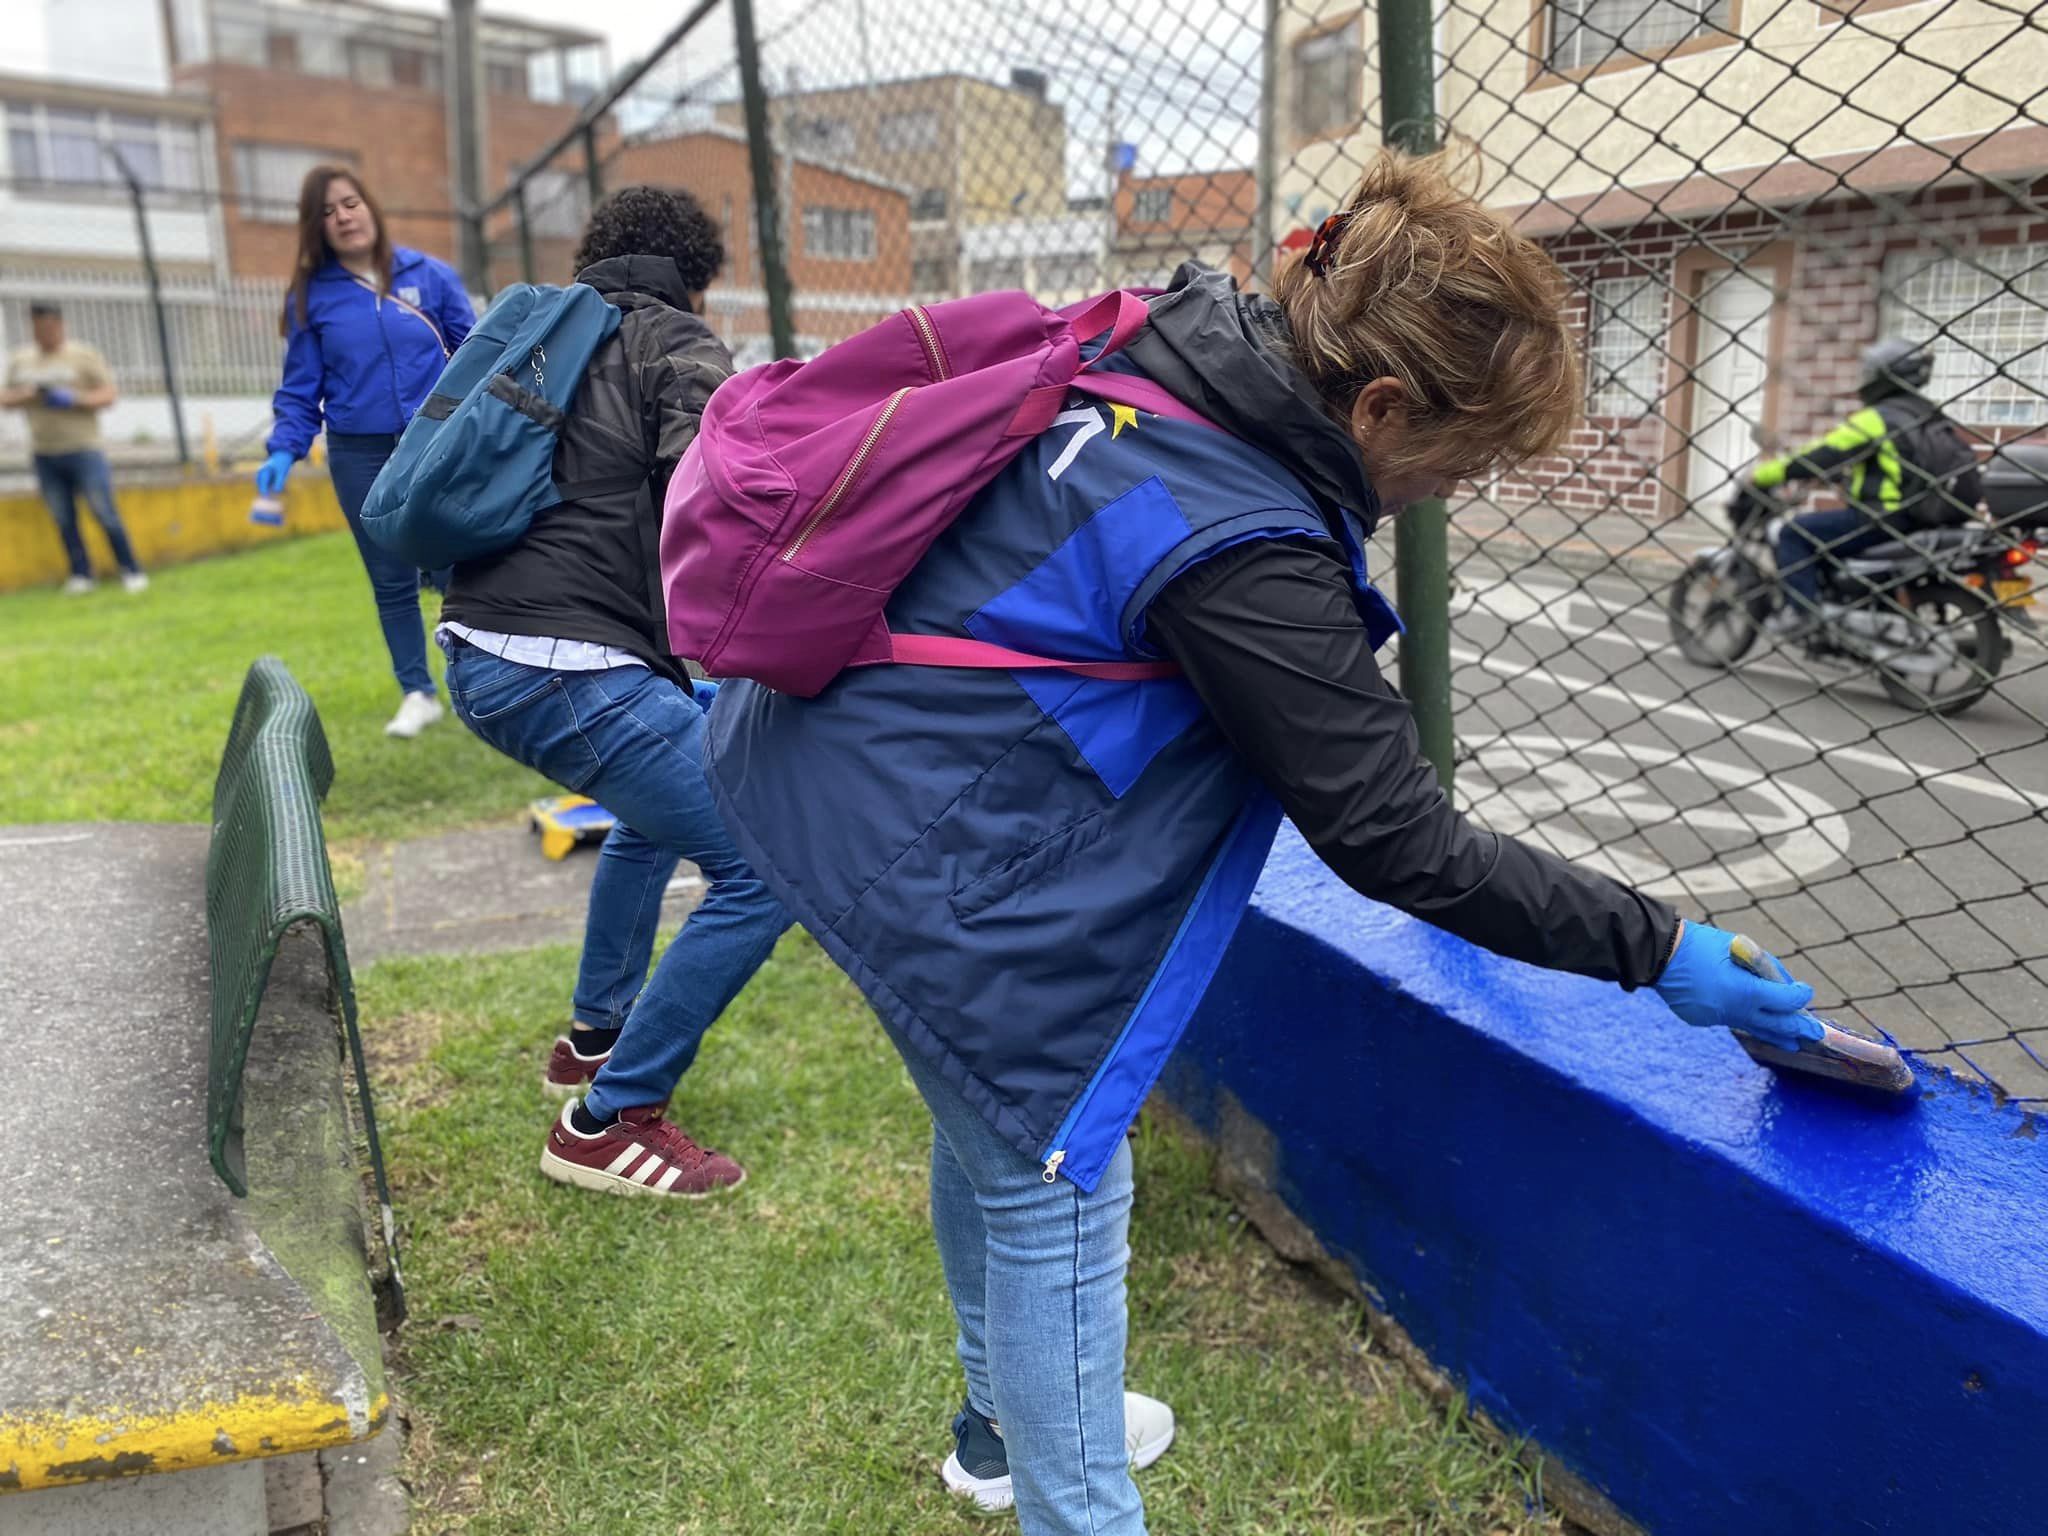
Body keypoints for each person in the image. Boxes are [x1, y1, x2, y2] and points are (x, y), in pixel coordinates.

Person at [703, 150, 1823, 1533]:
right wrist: (1656, 946)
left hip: (811, 763)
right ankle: (1072, 1504)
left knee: (987, 1117)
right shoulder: (1245, 536)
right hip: (907, 836)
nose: (1442, 498)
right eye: (1454, 464)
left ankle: (998, 1426)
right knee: (1057, 1179)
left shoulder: (1170, 360)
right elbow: (1400, 843)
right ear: (1382, 402)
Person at [437, 186, 786, 1198]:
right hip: (564, 663)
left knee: (650, 817)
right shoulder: (672, 340)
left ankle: (595, 1036)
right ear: (698, 275)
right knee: (760, 868)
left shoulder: (541, 333)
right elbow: (717, 502)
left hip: (485, 646)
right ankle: (607, 1120)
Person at [258, 166, 475, 738]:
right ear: (317, 229)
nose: (343, 217)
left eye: (350, 203)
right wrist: (284, 449)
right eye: (327, 213)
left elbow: (478, 354)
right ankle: (417, 693)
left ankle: (478, 679)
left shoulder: (431, 276)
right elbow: (301, 388)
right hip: (359, 454)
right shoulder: (312, 298)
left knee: (462, 565)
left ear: (370, 206)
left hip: (436, 443)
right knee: (390, 578)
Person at [1755, 336, 1981, 633]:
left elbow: (1822, 454)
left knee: (1795, 532)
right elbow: (1897, 464)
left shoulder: (1876, 418)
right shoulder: (1927, 413)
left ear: (1884, 376)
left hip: (1882, 517)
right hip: (1919, 517)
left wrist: (1764, 475)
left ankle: (1799, 612)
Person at [3, 301, 147, 594]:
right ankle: (81, 574)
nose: (43, 333)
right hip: (44, 451)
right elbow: (5, 398)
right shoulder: (22, 360)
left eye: (48, 327)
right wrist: (30, 394)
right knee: (63, 516)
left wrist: (73, 399)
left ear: (59, 324)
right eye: (37, 327)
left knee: (104, 511)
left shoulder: (82, 356)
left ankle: (131, 569)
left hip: (84, 448)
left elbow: (108, 395)